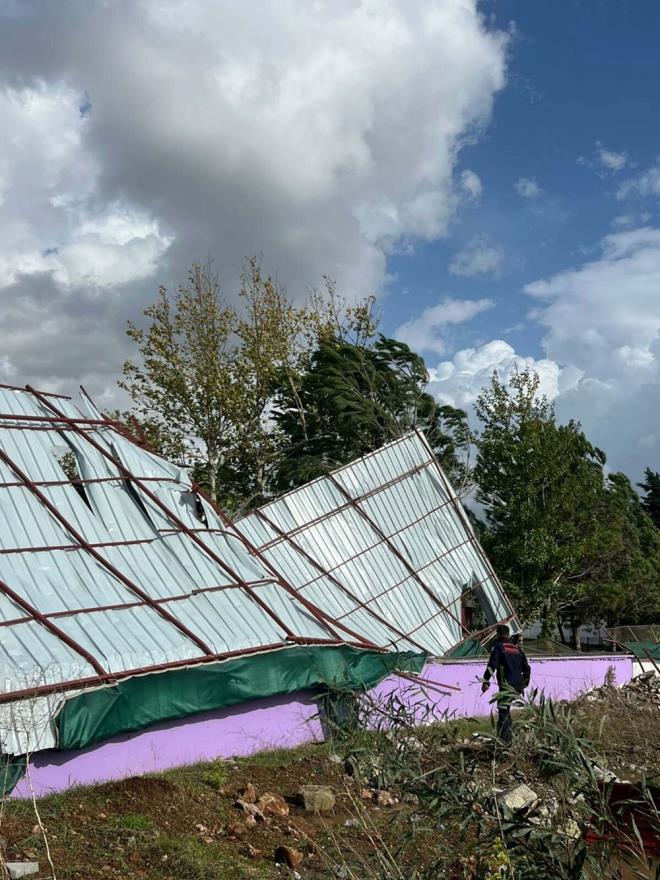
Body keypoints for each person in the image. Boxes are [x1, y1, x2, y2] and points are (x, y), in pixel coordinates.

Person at [481, 624, 530, 742]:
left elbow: (492, 665)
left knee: (503, 711)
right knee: (505, 710)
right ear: (508, 635)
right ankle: (508, 737)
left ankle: (505, 743)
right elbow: (527, 668)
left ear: (498, 634)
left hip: (506, 686)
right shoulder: (517, 648)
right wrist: (525, 683)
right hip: (518, 686)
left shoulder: (498, 646)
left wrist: (486, 680)